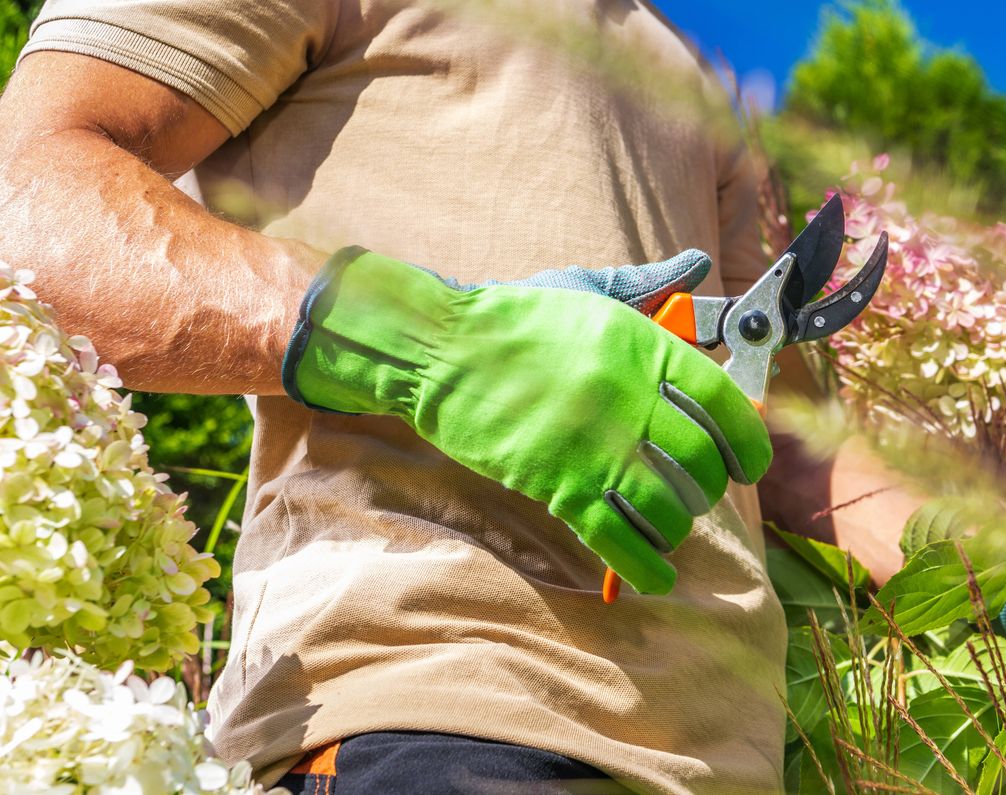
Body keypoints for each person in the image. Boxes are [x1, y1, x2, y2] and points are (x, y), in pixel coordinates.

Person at [0, 1, 910, 792]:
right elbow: (28, 199)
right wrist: (432, 341)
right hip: (434, 713)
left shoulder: (694, 73)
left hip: (728, 766)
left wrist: (1004, 566)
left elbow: (784, 431)